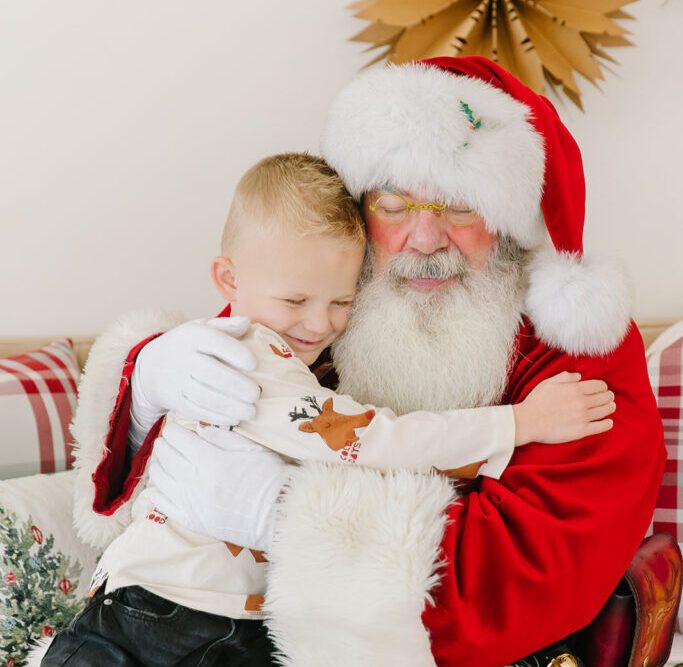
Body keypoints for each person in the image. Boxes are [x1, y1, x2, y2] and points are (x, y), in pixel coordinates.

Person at [46, 57, 664, 666]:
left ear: (510, 219)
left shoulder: (578, 347)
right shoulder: (331, 308)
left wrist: (285, 518)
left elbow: (532, 574)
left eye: (459, 206)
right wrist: (148, 383)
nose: (424, 240)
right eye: (393, 205)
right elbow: (168, 469)